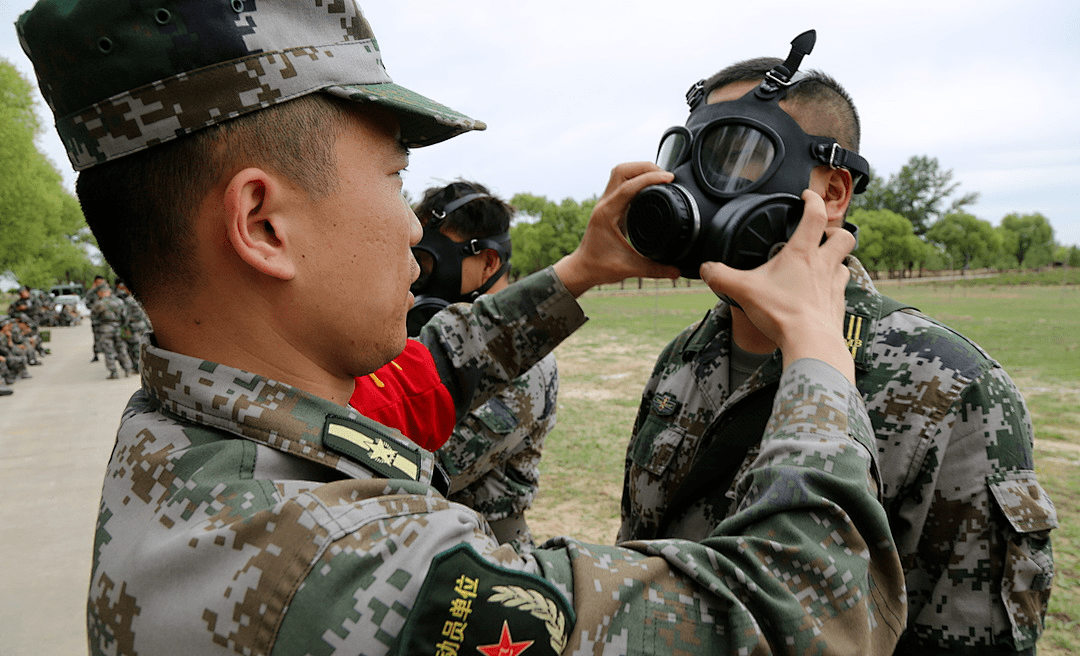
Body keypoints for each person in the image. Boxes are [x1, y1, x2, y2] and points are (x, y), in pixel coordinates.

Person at [18, 2, 905, 653]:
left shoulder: (185, 436)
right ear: (264, 224)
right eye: (395, 180)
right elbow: (806, 616)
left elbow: (419, 380)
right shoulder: (351, 562)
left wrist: (580, 273)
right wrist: (821, 357)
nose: (413, 228)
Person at [618, 57, 1057, 656]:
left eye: (737, 157)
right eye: (686, 163)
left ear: (831, 192)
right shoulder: (684, 359)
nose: (693, 191)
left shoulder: (953, 388)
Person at [353, 181, 557, 553]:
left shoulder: (525, 364)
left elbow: (425, 464)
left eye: (433, 262)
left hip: (489, 553)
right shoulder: (423, 336)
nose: (419, 273)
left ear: (489, 263)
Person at [88, 285, 133, 379]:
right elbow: (125, 316)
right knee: (122, 349)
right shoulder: (119, 301)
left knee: (108, 351)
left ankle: (114, 372)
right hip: (118, 328)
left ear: (100, 292)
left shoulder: (99, 304)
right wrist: (123, 326)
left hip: (105, 329)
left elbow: (94, 319)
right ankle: (127, 369)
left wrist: (97, 331)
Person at [114, 279, 150, 373]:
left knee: (134, 348)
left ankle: (138, 368)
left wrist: (124, 327)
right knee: (142, 346)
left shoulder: (128, 301)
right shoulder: (137, 298)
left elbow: (126, 316)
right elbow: (144, 315)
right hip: (141, 325)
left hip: (133, 327)